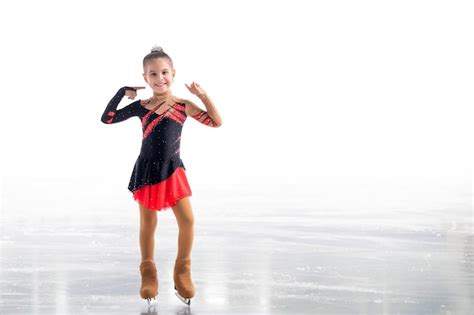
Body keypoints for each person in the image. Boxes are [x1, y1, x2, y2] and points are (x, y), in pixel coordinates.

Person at [100, 46, 222, 305]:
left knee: (188, 221)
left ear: (173, 73)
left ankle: (182, 270)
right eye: (152, 74)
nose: (159, 78)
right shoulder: (141, 107)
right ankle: (148, 271)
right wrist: (122, 92)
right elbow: (107, 119)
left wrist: (203, 95)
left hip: (172, 169)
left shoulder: (183, 105)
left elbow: (215, 122)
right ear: (145, 78)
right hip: (147, 169)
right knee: (148, 224)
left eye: (164, 72)